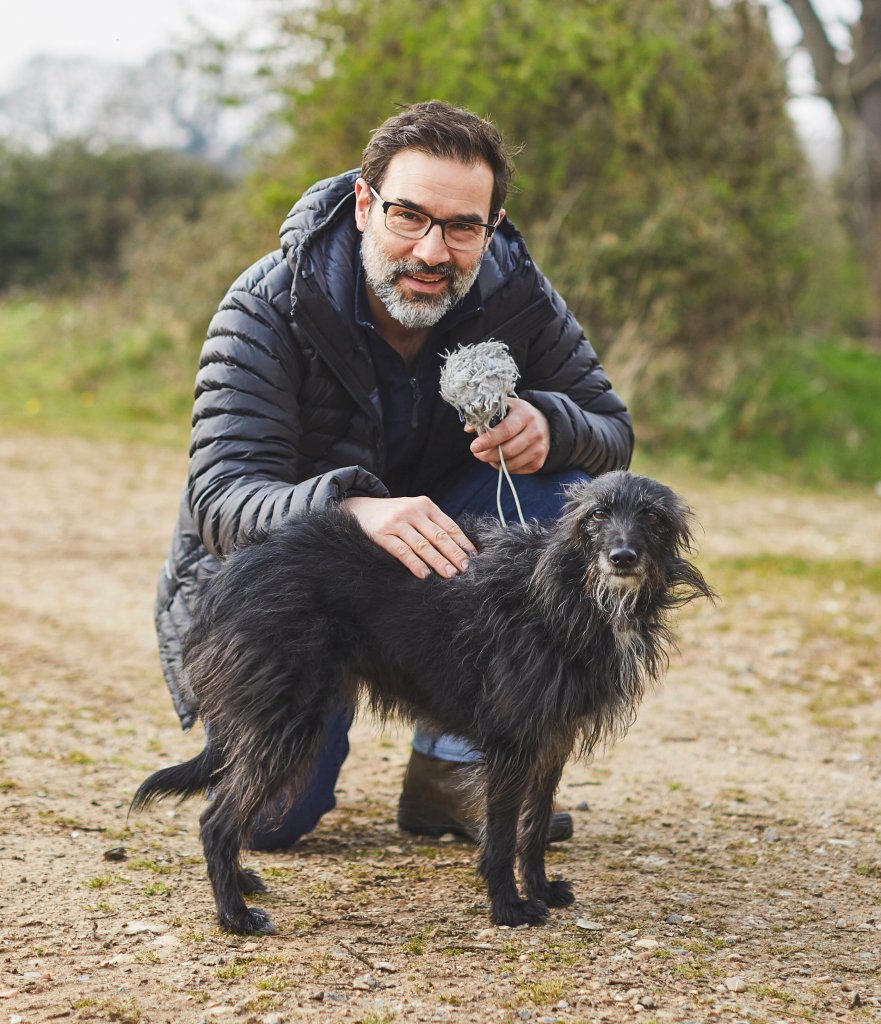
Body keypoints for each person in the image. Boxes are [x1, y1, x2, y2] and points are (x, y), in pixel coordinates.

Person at [154, 100, 634, 851]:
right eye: (407, 216)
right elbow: (221, 499)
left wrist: (551, 425)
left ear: (493, 224)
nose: (432, 251)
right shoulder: (265, 306)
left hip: (445, 565)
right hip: (304, 582)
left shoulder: (519, 296)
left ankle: (453, 772)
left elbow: (612, 432)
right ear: (363, 202)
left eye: (461, 227)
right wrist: (349, 508)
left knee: (560, 497)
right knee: (272, 817)